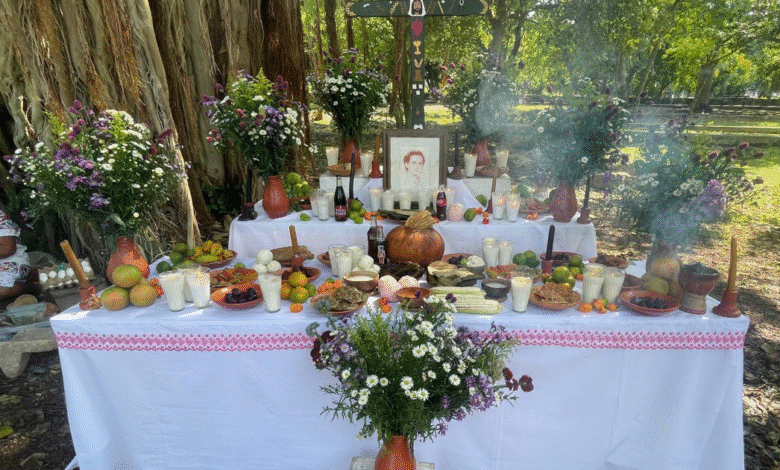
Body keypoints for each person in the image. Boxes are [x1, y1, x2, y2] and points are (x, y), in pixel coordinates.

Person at [0, 209, 35, 301]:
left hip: (10, 264)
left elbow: (7, 249)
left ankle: (30, 288)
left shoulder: (2, 217)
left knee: (2, 289)